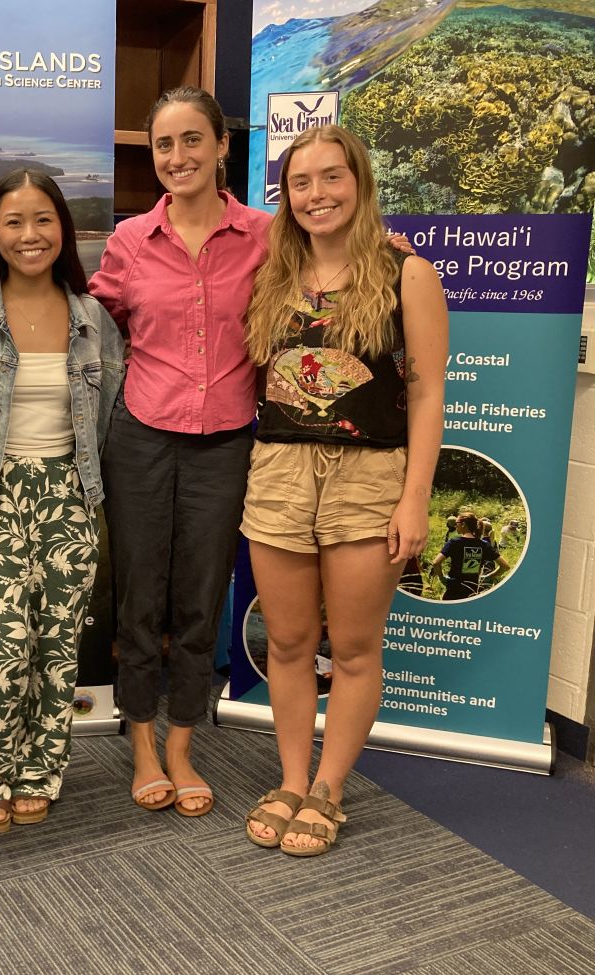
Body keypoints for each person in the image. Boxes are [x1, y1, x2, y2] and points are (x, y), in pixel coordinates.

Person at [242, 124, 447, 856]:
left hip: (369, 475)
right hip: (280, 471)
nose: (317, 194)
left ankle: (330, 789)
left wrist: (416, 495)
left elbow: (425, 395)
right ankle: (292, 779)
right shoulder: (270, 273)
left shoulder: (406, 274)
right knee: (290, 641)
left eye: (332, 178)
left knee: (355, 647)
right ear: (286, 195)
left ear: (359, 184)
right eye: (301, 182)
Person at [89, 87, 271, 817]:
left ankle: (182, 745)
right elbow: (92, 326)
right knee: (139, 596)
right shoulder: (130, 241)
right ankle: (140, 740)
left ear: (222, 146)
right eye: (164, 145)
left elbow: (330, 265)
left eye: (192, 140)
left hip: (224, 439)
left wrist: (387, 248)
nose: (177, 157)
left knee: (199, 598)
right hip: (140, 435)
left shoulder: (265, 234)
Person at [0, 169, 124, 832]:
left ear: (63, 230)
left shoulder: (92, 318)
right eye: (14, 221)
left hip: (68, 497)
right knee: (2, 642)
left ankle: (40, 768)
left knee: (57, 647)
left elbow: (108, 415)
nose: (29, 235)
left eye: (43, 220)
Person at [430, 511, 509, 600]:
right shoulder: (484, 544)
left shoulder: (454, 542)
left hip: (453, 588)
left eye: (457, 523)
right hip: (473, 589)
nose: (456, 526)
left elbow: (436, 562)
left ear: (463, 524)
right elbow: (505, 566)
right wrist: (487, 577)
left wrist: (442, 578)